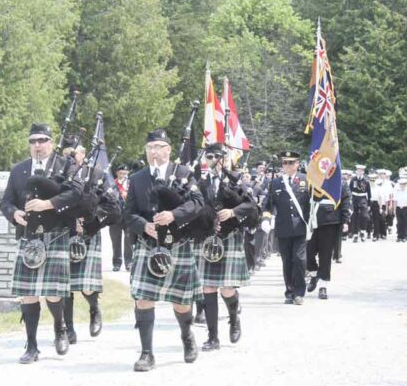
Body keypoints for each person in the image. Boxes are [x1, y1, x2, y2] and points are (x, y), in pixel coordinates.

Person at [0, 123, 96, 364]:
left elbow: (76, 193)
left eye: (42, 140)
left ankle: (60, 327)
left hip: (55, 234)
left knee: (53, 293)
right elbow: (6, 201)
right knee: (28, 294)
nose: (37, 145)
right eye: (33, 141)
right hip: (29, 236)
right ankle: (31, 346)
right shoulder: (19, 170)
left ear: (51, 143)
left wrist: (48, 204)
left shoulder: (65, 165)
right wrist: (14, 214)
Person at [123, 129, 205, 372]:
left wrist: (173, 215)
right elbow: (128, 213)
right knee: (143, 299)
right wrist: (143, 225)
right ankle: (147, 353)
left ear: (169, 150)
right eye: (150, 148)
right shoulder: (137, 178)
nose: (154, 152)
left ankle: (186, 334)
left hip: (177, 244)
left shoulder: (183, 173)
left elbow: (198, 204)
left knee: (181, 303)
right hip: (148, 246)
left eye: (159, 147)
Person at [197, 143, 258, 351]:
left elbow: (251, 205)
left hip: (230, 236)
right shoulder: (201, 182)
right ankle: (213, 337)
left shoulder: (235, 180)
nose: (212, 160)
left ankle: (234, 319)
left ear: (224, 158)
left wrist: (233, 213)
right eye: (209, 156)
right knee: (208, 287)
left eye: (216, 156)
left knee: (227, 288)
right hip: (208, 238)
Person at [62, 145, 121, 344]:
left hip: (88, 232)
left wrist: (88, 220)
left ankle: (94, 309)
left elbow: (111, 204)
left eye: (73, 153)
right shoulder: (58, 174)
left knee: (86, 285)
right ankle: (67, 328)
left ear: (83, 154)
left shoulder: (96, 174)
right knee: (63, 286)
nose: (70, 158)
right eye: (66, 155)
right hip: (61, 233)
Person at [262, 151, 310, 305]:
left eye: (291, 163)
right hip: (283, 228)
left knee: (299, 259)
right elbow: (268, 204)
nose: (287, 166)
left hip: (300, 227)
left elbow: (311, 203)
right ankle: (289, 291)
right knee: (287, 261)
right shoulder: (276, 182)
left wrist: (312, 223)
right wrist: (266, 218)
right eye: (285, 163)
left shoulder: (306, 179)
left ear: (297, 164)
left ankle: (299, 292)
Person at [306, 178, 351, 299]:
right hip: (311, 219)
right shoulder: (312, 178)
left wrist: (345, 220)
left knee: (325, 255)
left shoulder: (340, 181)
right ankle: (314, 274)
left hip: (331, 220)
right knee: (308, 252)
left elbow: (345, 201)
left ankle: (323, 285)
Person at [109, 164, 132, 271]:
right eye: (121, 173)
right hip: (115, 216)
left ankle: (129, 262)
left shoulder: (131, 184)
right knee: (115, 240)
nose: (123, 175)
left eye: (126, 174)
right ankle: (117, 263)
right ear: (117, 173)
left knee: (129, 240)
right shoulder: (111, 184)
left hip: (128, 215)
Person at [349, 165, 372, 243]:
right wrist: (349, 201)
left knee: (364, 216)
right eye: (358, 170)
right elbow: (349, 191)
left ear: (363, 172)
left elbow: (369, 193)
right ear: (356, 171)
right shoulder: (353, 180)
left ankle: (363, 231)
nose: (359, 172)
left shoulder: (366, 181)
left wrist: (369, 204)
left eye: (361, 171)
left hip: (363, 199)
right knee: (354, 217)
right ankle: (355, 234)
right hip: (354, 199)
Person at [392, 176, 407, 242]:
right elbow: (395, 201)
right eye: (401, 184)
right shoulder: (397, 191)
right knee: (399, 223)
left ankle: (404, 236)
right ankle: (399, 236)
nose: (402, 186)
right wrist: (394, 210)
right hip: (398, 208)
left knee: (405, 223)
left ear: (406, 185)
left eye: (403, 184)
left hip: (406, 208)